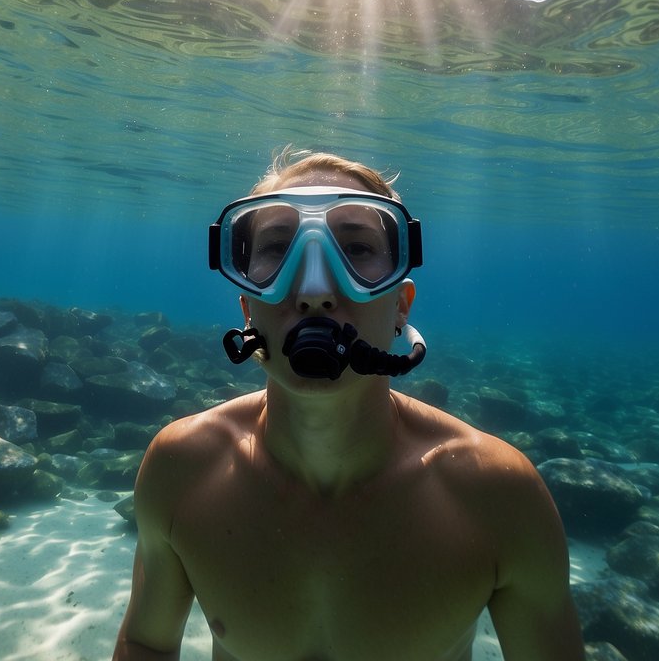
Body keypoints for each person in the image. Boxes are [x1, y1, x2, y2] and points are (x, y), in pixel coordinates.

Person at [114, 148, 584, 661]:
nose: (315, 291)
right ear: (247, 308)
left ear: (400, 307)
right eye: (277, 248)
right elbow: (145, 644)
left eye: (356, 250)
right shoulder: (181, 468)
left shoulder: (498, 496)